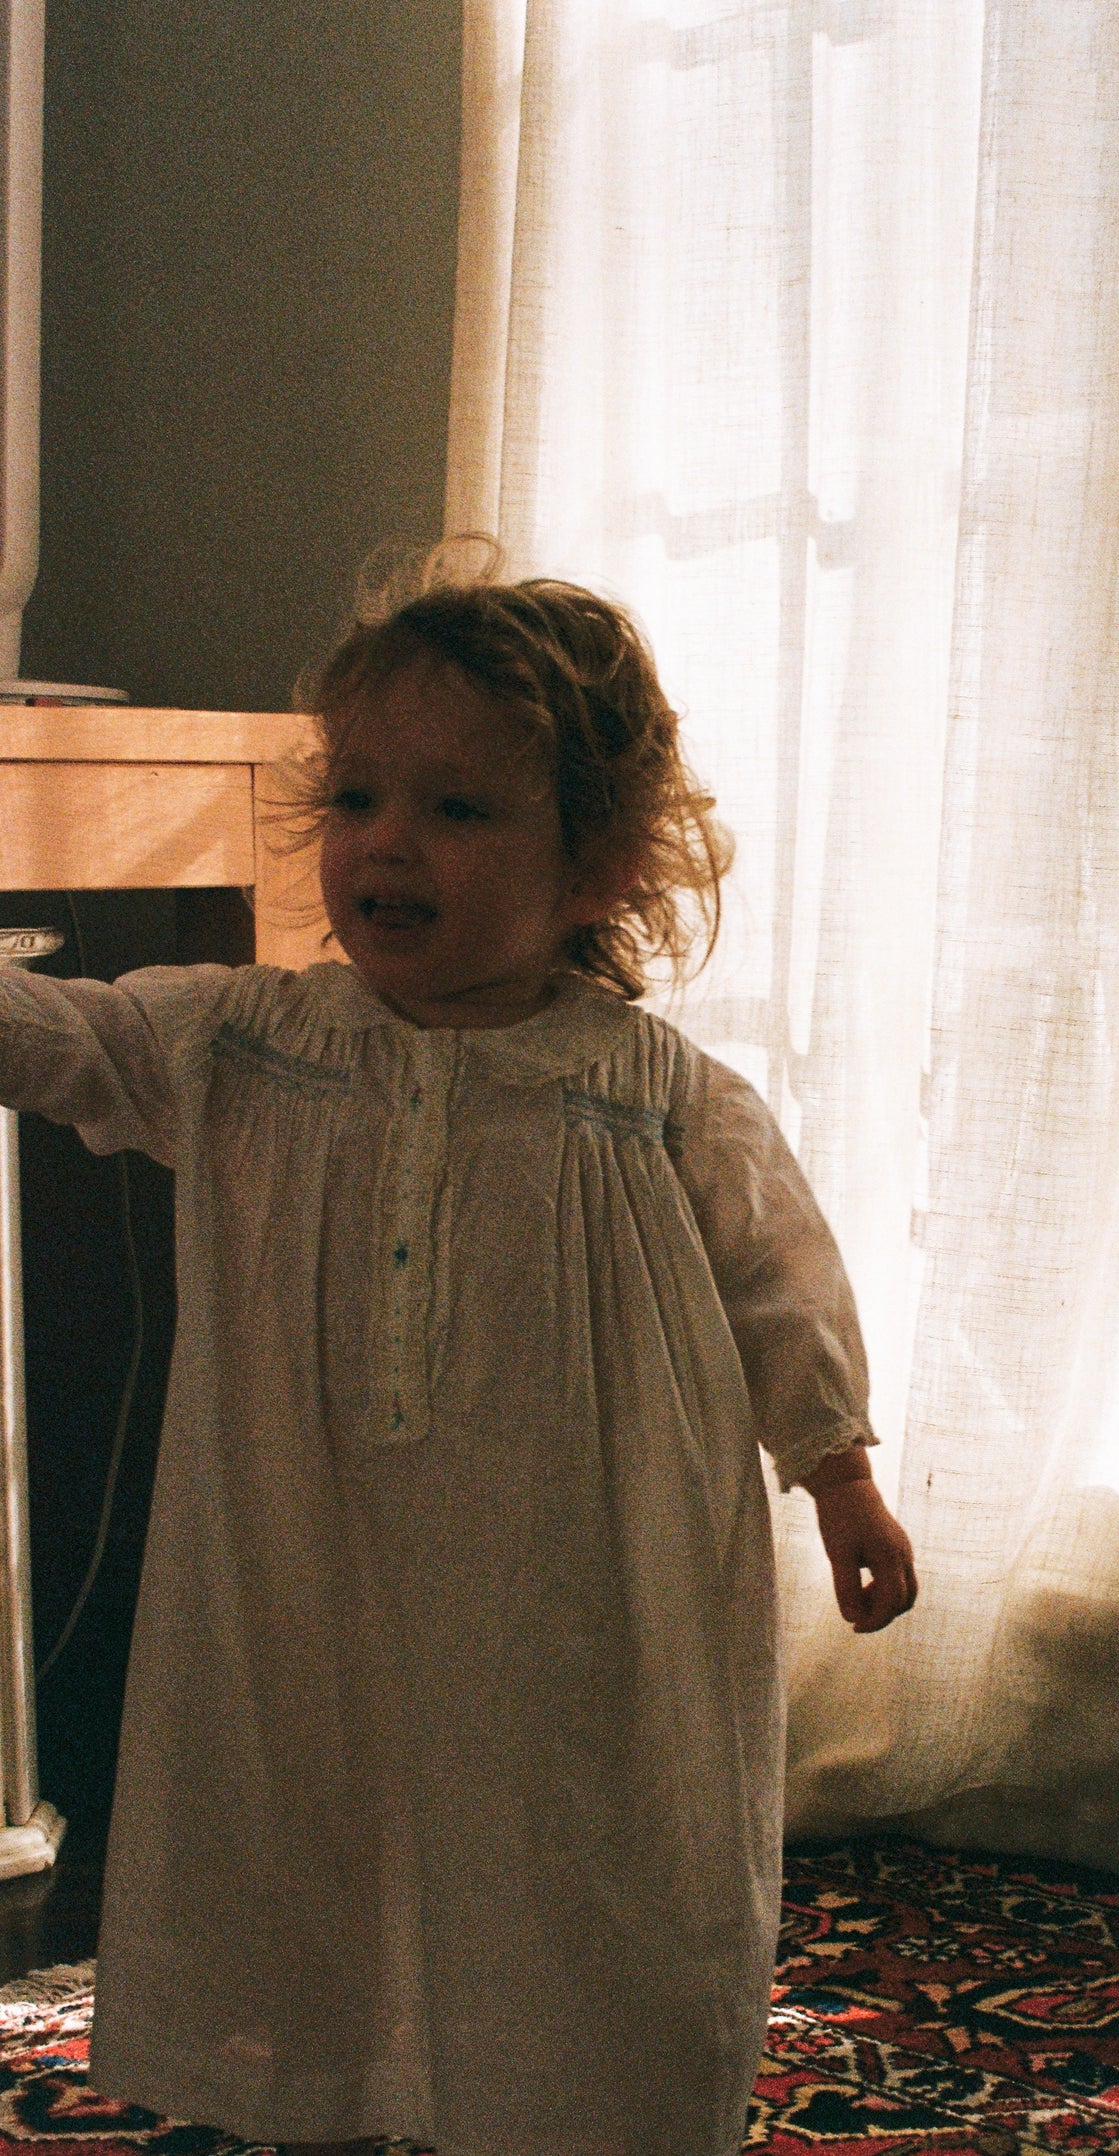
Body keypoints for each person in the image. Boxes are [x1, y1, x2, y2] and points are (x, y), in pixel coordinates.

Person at [0, 553, 917, 2156]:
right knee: (322, 1824)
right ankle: (338, 2086)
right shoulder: (249, 1042)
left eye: (458, 810)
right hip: (313, 1563)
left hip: (577, 1585)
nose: (386, 844)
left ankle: (573, 2100)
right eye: (356, 798)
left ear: (598, 863)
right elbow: (70, 1041)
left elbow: (783, 1281)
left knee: (574, 1851)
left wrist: (838, 1479)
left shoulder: (655, 1096)